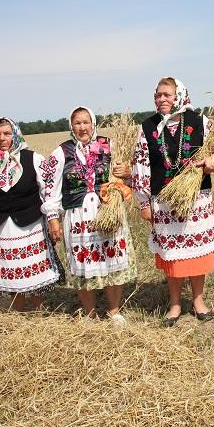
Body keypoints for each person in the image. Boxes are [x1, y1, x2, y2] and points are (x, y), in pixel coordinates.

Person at [132, 77, 214, 327]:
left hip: (196, 200)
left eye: (167, 95)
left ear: (180, 96)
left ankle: (198, 301)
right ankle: (174, 304)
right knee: (172, 255)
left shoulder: (200, 121)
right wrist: (143, 202)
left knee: (196, 254)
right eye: (158, 95)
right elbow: (141, 165)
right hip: (164, 201)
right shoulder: (147, 127)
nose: (161, 99)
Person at [44, 106, 136, 324]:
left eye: (86, 122)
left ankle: (114, 311)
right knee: (84, 265)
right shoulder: (61, 153)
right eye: (77, 123)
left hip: (107, 212)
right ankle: (89, 312)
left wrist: (127, 172)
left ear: (93, 124)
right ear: (71, 126)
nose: (82, 127)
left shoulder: (108, 145)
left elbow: (127, 175)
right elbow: (51, 188)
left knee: (112, 259)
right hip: (78, 217)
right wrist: (53, 217)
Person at [0, 117, 64, 311]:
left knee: (34, 271)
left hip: (31, 224)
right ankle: (18, 311)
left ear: (16, 134)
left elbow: (48, 189)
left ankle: (38, 311)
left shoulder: (34, 158)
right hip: (0, 228)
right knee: (9, 271)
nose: (2, 138)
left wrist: (53, 219)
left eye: (6, 133)